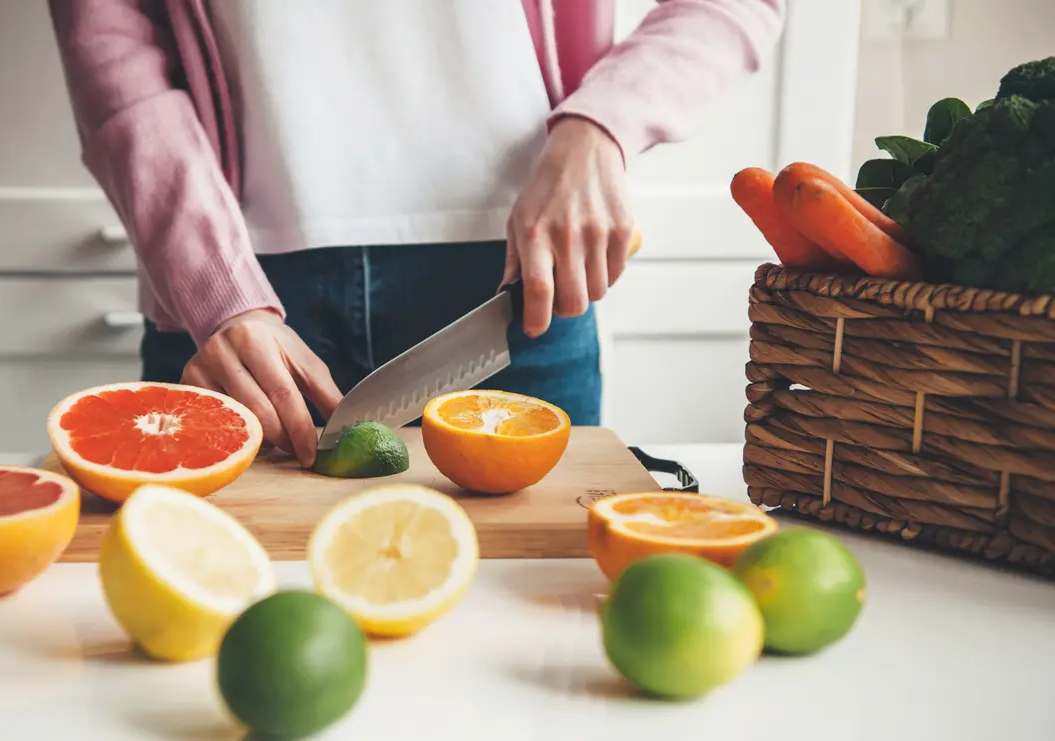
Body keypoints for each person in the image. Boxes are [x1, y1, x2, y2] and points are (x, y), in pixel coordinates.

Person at [48, 0, 785, 467]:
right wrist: (208, 281)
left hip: (517, 283)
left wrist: (602, 127)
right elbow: (104, 32)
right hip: (235, 314)